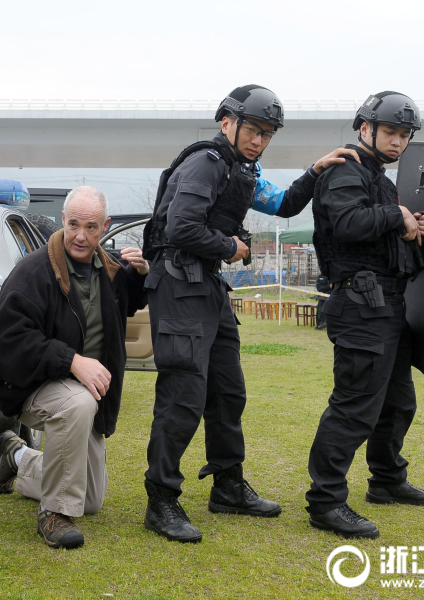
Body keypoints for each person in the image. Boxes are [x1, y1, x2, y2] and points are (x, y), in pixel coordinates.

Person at [140, 85, 361, 544]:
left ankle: (228, 486)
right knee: (183, 395)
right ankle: (161, 499)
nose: (259, 140)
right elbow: (180, 227)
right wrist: (232, 247)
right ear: (227, 122)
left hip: (208, 285)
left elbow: (284, 204)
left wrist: (315, 171)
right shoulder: (206, 163)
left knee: (228, 390)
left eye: (267, 134)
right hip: (179, 284)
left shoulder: (240, 169)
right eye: (253, 130)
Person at [305, 91, 424, 539]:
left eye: (405, 135)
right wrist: (396, 215)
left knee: (398, 402)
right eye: (391, 132)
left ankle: (387, 479)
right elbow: (347, 223)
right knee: (354, 406)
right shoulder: (346, 169)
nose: (398, 141)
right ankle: (325, 501)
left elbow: (380, 234)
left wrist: (411, 227)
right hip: (360, 304)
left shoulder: (377, 176)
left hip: (388, 303)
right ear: (366, 129)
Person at [0, 187, 148, 549]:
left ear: (104, 226)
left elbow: (127, 305)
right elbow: (12, 341)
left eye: (91, 227)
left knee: (89, 499)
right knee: (78, 401)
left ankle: (18, 457)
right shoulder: (32, 272)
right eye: (73, 224)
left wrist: (140, 274)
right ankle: (54, 513)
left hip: (84, 395)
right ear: (62, 220)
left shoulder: (110, 270)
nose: (80, 235)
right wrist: (73, 361)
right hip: (30, 385)